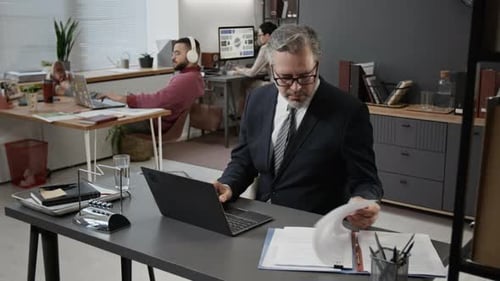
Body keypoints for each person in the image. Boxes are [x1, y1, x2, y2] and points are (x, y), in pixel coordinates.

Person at [213, 24, 383, 229]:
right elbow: (244, 159)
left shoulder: (349, 111)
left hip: (314, 228)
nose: (295, 88)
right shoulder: (257, 100)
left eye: (304, 76)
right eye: (285, 78)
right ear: (271, 69)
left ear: (317, 65)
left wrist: (363, 201)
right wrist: (228, 185)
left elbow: (366, 179)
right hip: (260, 220)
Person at [98, 37, 204, 133]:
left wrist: (124, 98)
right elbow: (162, 99)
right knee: (115, 107)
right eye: (173, 53)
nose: (172, 58)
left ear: (192, 56)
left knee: (112, 116)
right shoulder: (195, 76)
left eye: (177, 53)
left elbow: (158, 100)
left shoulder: (186, 79)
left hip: (156, 123)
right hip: (159, 119)